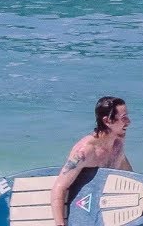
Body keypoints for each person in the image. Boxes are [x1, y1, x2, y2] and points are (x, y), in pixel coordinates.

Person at [51, 96, 133, 226]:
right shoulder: (84, 151)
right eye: (123, 118)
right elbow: (59, 188)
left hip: (104, 208)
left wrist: (136, 182)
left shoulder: (118, 139)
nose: (129, 122)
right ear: (107, 121)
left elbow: (121, 161)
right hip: (83, 208)